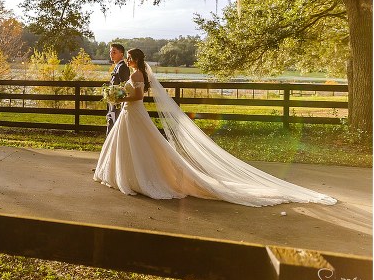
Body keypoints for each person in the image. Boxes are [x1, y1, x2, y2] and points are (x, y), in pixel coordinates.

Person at [93, 48, 337, 207]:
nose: (126, 60)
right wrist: (117, 97)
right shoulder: (137, 74)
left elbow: (137, 99)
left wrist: (118, 98)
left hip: (132, 111)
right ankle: (124, 175)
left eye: (128, 58)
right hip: (129, 114)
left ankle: (141, 178)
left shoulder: (137, 76)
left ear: (134, 60)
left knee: (143, 145)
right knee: (132, 143)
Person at [106, 43, 131, 135]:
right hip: (113, 102)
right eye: (110, 52)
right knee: (111, 123)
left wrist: (118, 99)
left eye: (114, 52)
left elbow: (124, 87)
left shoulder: (123, 67)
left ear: (121, 54)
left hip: (118, 104)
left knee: (113, 126)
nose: (111, 54)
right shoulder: (117, 66)